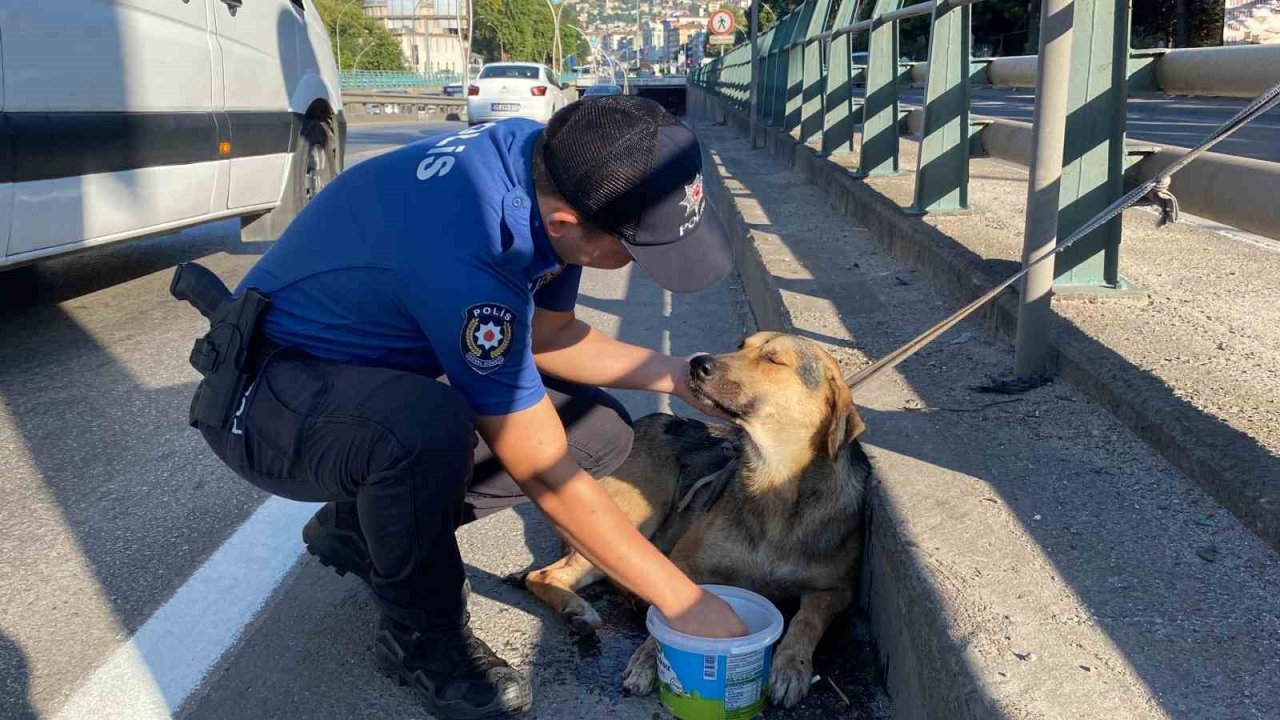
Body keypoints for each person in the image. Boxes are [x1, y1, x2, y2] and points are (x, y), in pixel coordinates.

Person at [194, 96, 749, 718]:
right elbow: (540, 468)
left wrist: (674, 375)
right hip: (267, 398)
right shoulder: (472, 247)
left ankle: (362, 529)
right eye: (637, 249)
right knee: (421, 430)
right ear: (567, 223)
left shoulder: (549, 164)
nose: (643, 266)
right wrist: (683, 602)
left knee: (596, 431)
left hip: (357, 379)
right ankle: (421, 643)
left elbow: (548, 335)